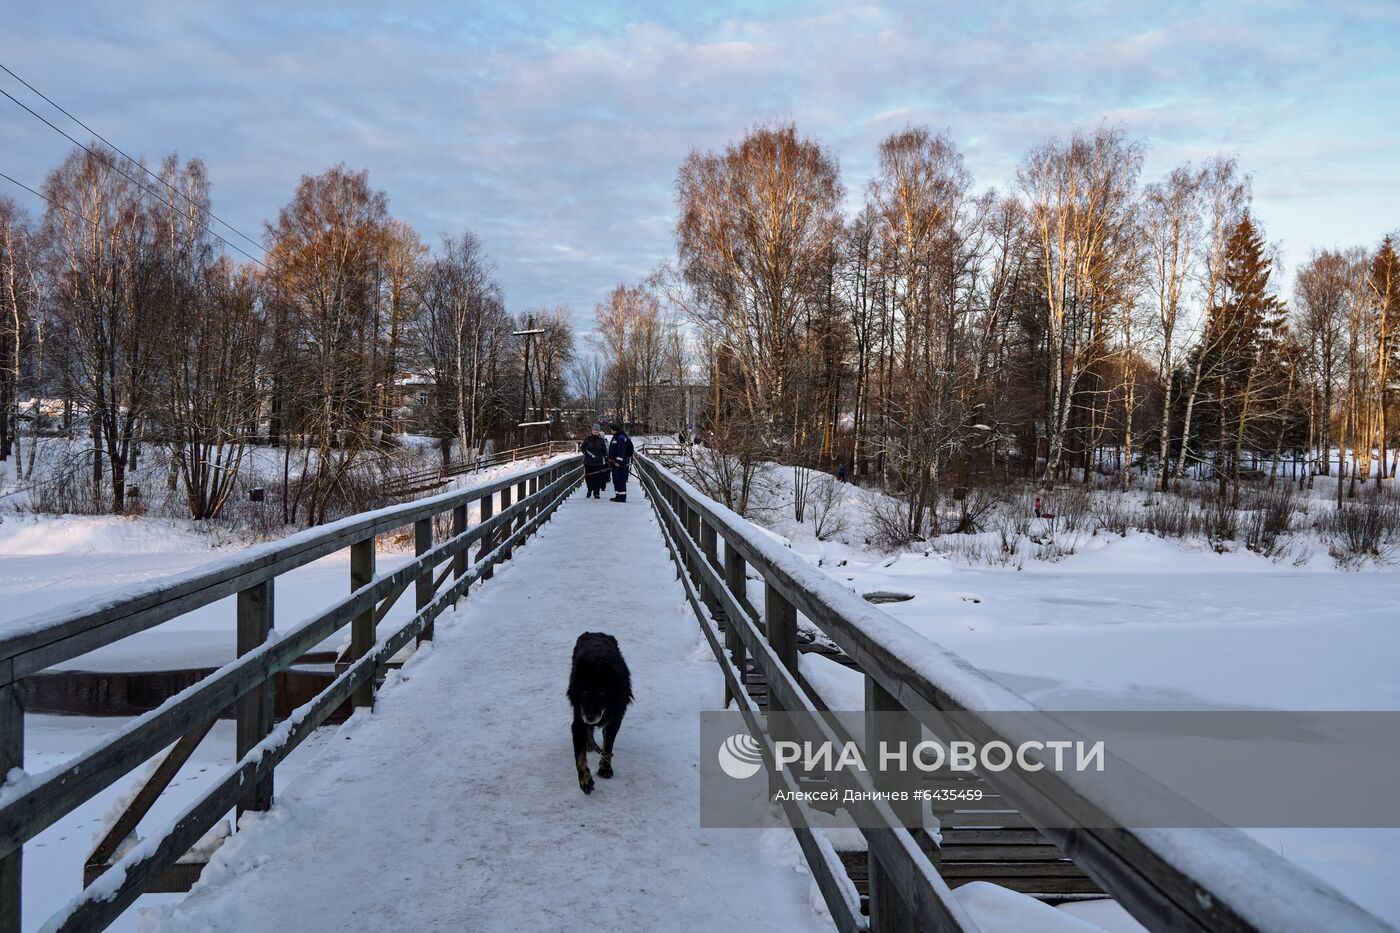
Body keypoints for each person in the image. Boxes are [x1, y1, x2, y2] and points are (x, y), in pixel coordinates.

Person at [607, 422, 634, 502]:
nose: (610, 430)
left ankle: (622, 497)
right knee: (615, 480)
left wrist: (618, 461)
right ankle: (618, 495)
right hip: (614, 463)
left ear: (613, 429)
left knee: (620, 480)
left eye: (611, 429)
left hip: (620, 464)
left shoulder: (621, 437)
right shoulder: (615, 437)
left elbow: (621, 451)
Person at [580, 424, 608, 499]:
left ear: (599, 431)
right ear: (592, 431)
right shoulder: (587, 439)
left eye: (597, 430)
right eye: (594, 430)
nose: (595, 431)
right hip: (588, 462)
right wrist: (587, 453)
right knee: (589, 478)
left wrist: (606, 459)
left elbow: (604, 451)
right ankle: (589, 489)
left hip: (598, 463)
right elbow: (582, 448)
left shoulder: (601, 440)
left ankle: (596, 493)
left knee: (597, 478)